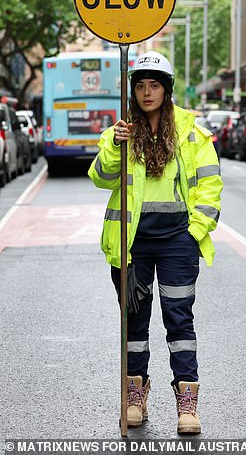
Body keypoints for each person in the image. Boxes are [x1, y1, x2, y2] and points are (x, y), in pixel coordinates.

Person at [88, 51, 223, 434]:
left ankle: (187, 403)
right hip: (133, 245)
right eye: (141, 85)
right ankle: (135, 396)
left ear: (167, 90)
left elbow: (211, 185)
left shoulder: (191, 131)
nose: (148, 92)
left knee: (180, 321)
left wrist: (195, 232)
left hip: (178, 242)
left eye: (155, 85)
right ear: (133, 91)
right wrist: (116, 144)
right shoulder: (121, 130)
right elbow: (99, 176)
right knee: (134, 323)